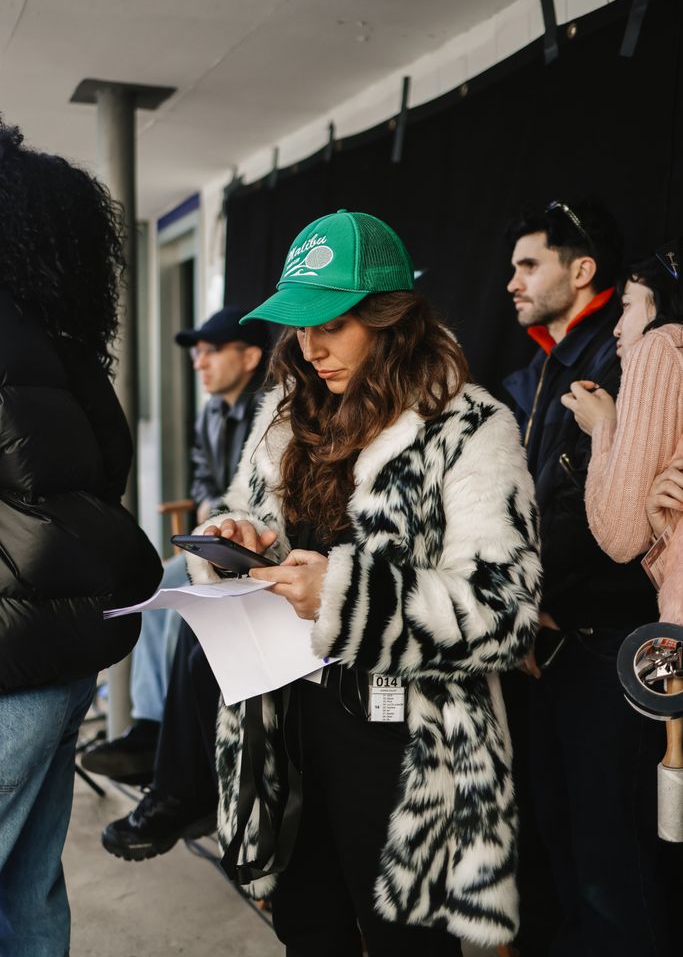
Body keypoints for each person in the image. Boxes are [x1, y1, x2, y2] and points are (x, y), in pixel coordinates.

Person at [186, 210, 542, 955]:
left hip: (405, 743)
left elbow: (503, 612)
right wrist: (236, 538)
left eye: (333, 325)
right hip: (289, 719)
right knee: (306, 926)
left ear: (391, 320)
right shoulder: (286, 417)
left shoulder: (469, 427)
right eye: (299, 327)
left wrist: (348, 598)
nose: (310, 348)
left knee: (405, 943)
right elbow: (252, 514)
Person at [0, 120, 162, 956]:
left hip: (6, 662)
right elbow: (106, 478)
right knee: (30, 890)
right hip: (67, 661)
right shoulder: (70, 353)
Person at [504, 199, 670, 957]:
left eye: (527, 264)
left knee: (613, 863)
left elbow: (608, 520)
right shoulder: (544, 364)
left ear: (582, 271)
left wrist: (522, 600)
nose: (511, 283)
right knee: (562, 837)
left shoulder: (632, 355)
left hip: (611, 639)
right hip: (552, 636)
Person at [81, 308, 268, 786]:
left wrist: (221, 520)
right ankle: (150, 726)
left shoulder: (273, 414)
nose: (198, 362)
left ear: (250, 357)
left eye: (211, 351)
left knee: (171, 588)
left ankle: (158, 736)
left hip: (260, 552)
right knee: (154, 585)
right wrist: (210, 510)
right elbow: (204, 478)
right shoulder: (210, 413)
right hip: (218, 545)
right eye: (196, 353)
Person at [561, 241, 683, 624]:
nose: (616, 328)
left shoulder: (659, 344)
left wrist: (603, 427)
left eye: (627, 306)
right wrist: (665, 531)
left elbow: (620, 537)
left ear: (661, 303)